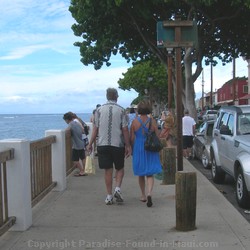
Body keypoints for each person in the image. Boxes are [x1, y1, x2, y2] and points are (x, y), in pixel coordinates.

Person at [87, 88, 131, 205]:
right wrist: (128, 145)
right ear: (116, 96)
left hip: (103, 144)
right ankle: (117, 189)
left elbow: (95, 129)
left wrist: (90, 144)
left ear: (107, 96)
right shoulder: (122, 111)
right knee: (120, 168)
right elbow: (125, 129)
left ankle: (109, 196)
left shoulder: (99, 110)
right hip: (117, 144)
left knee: (108, 170)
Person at [130, 100, 162, 207]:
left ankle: (143, 195)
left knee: (140, 173)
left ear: (139, 109)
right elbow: (158, 135)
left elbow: (132, 137)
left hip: (139, 147)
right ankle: (149, 193)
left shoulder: (135, 121)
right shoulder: (152, 121)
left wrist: (130, 148)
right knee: (150, 173)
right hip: (150, 147)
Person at [63, 112, 87, 176]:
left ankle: (81, 171)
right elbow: (82, 130)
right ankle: (84, 170)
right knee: (83, 158)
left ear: (67, 119)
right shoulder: (76, 123)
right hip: (81, 143)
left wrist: (64, 133)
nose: (65, 122)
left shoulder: (71, 124)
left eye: (65, 120)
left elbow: (66, 130)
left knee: (75, 160)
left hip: (76, 145)